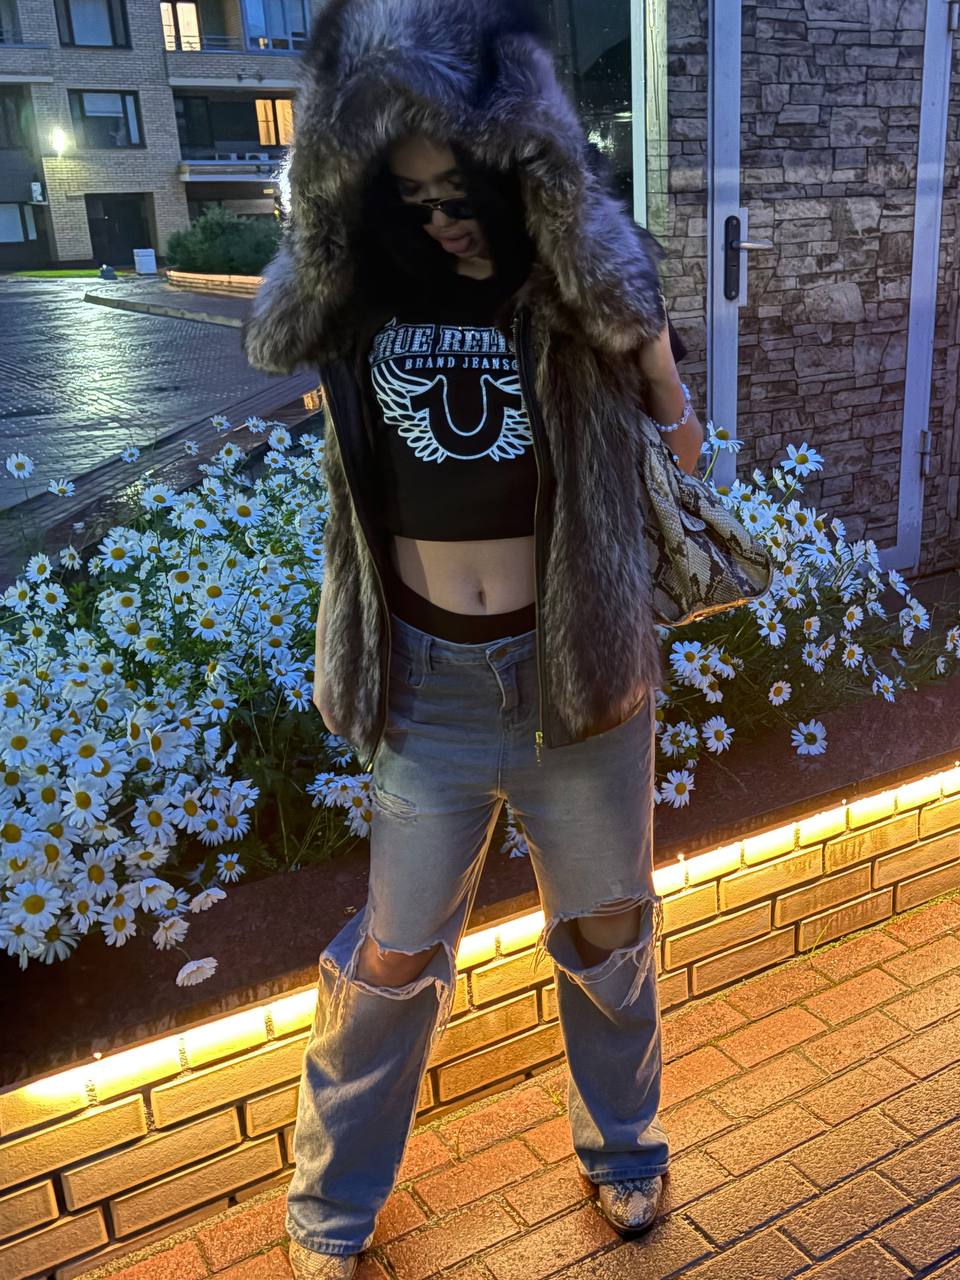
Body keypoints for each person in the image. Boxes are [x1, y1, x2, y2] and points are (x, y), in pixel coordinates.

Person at [242, 1, 704, 1275]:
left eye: (461, 190)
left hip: (577, 678)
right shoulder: (356, 294)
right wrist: (335, 190)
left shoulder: (572, 284)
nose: (442, 217)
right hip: (427, 686)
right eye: (413, 195)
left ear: (514, 175)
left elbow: (661, 386)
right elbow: (280, 327)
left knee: (609, 933)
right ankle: (331, 1202)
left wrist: (663, 380)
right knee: (393, 957)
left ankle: (625, 1148)